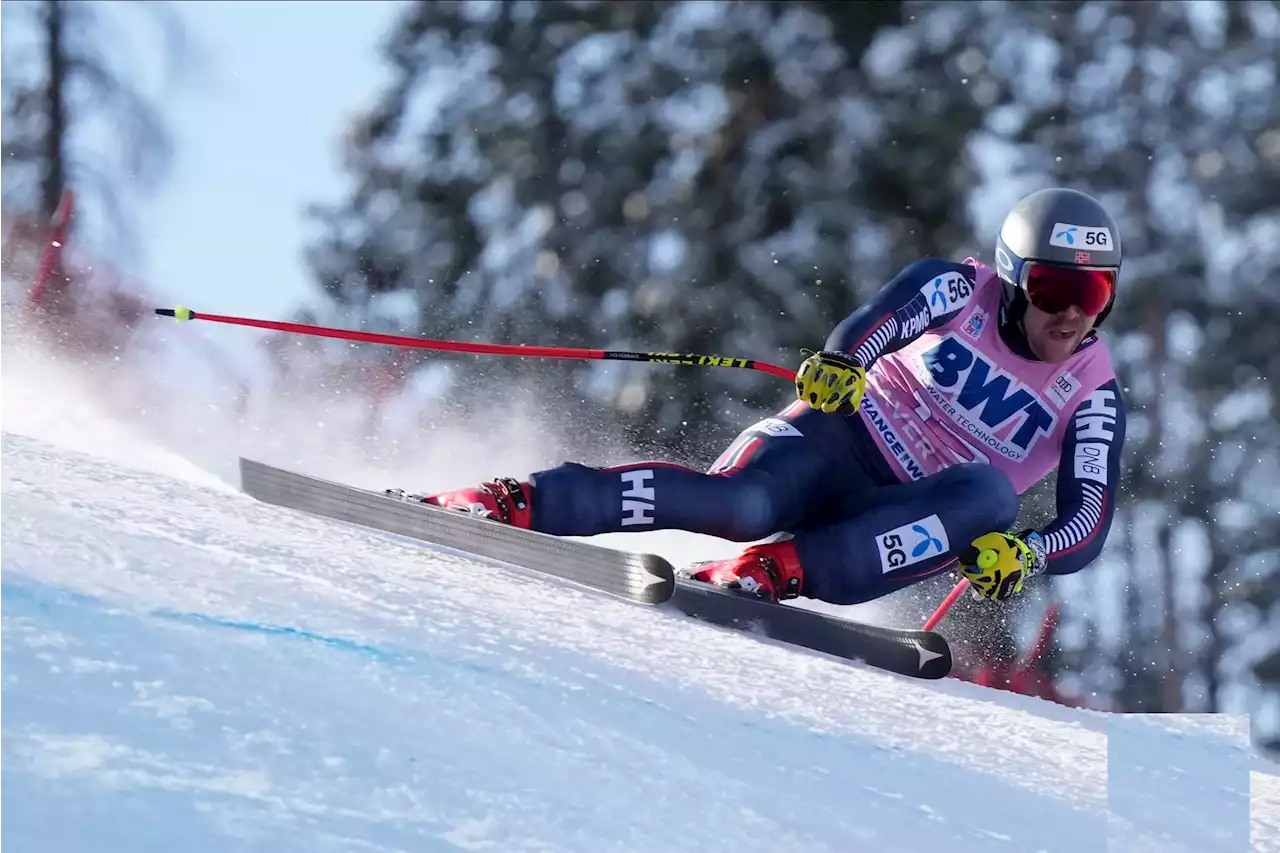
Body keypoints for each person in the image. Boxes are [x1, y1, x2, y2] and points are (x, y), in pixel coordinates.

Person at [419, 187, 1128, 606]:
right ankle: (516, 501)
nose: (1073, 314)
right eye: (1053, 290)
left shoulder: (1092, 391)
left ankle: (773, 572)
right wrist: (844, 363)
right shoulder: (959, 288)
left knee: (991, 500)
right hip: (836, 445)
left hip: (902, 512)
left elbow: (1088, 520)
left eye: (1095, 295)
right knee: (739, 504)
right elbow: (884, 318)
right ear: (1010, 280)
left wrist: (1030, 553)